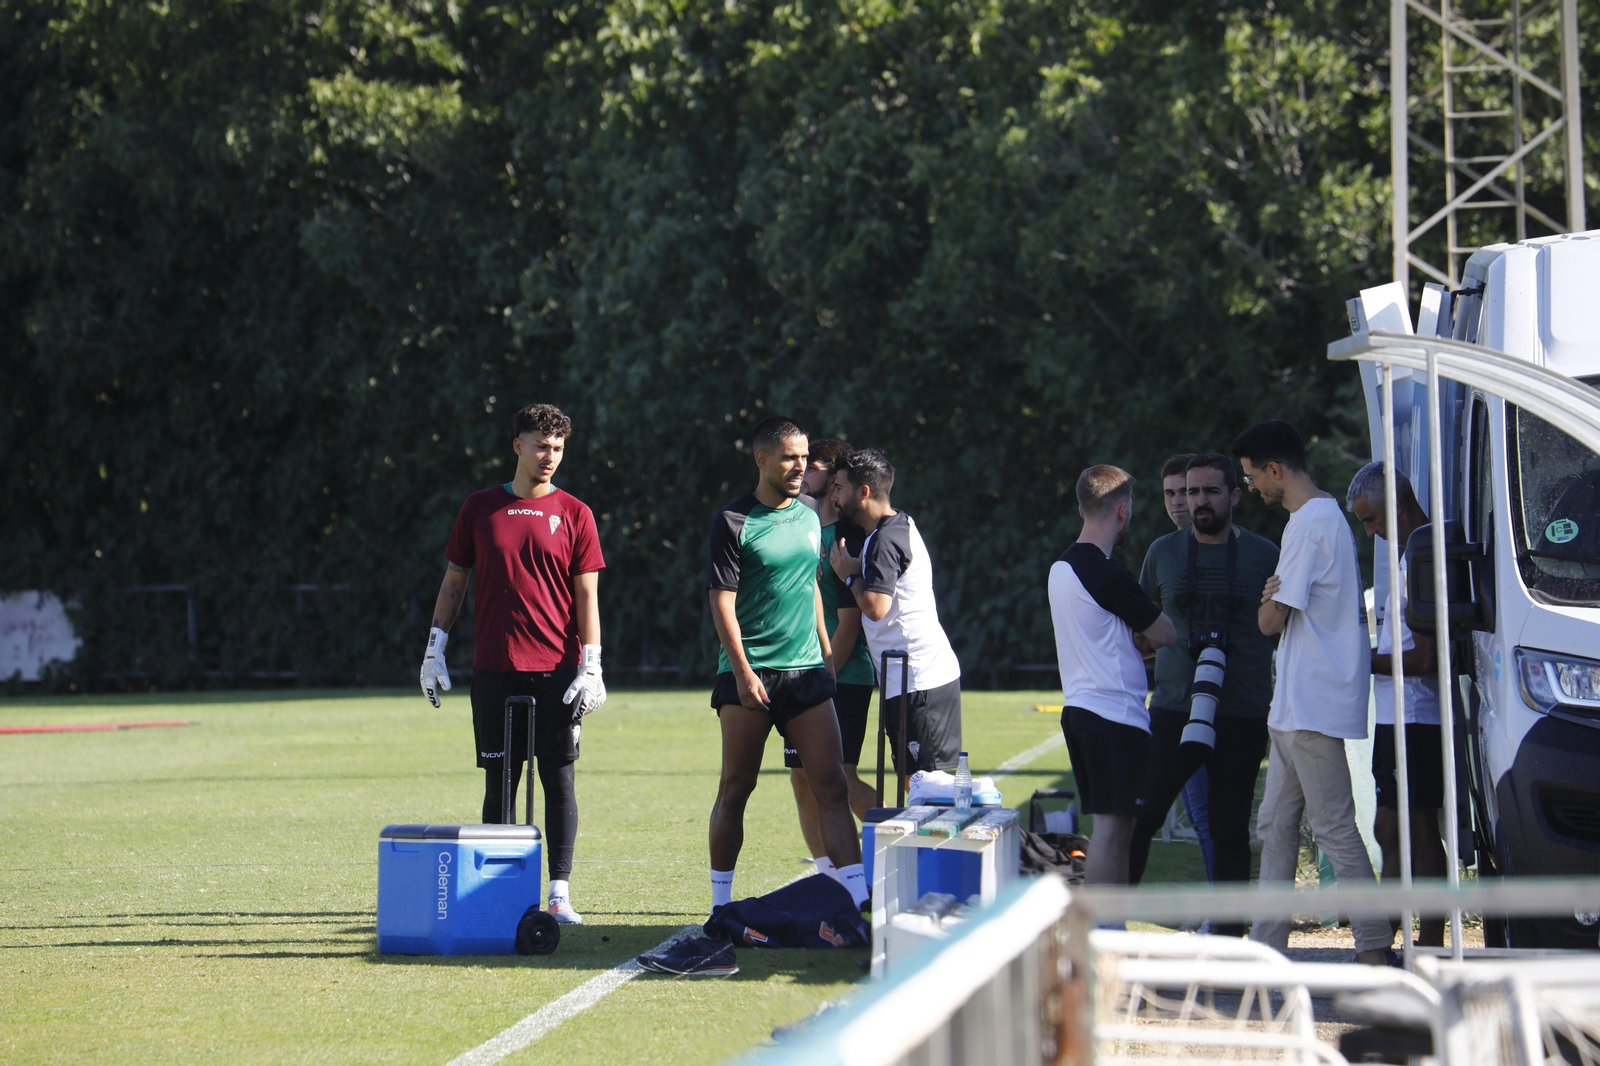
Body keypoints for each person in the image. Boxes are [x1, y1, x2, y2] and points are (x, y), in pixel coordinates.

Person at [419, 403, 605, 926]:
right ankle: (494, 890)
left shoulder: (575, 513)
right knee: (499, 778)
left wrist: (591, 665)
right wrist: (435, 648)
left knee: (559, 778)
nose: (550, 457)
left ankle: (559, 892)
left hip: (557, 671)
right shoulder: (479, 507)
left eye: (559, 448)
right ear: (517, 446)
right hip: (495, 667)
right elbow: (455, 581)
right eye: (541, 445)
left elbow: (587, 596)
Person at [1234, 419, 1391, 963]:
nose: (1252, 487)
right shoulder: (1321, 517)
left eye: (1254, 476)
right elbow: (1277, 612)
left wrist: (1266, 600)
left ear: (1276, 470)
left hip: (1310, 704)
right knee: (1276, 825)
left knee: (1331, 827)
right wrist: (1269, 601)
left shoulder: (1308, 523)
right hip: (1298, 704)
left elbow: (1270, 620)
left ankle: (1373, 944)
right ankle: (1266, 947)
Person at [707, 417, 867, 914]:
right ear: (762, 460)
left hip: (807, 675)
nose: (801, 466)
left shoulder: (809, 517)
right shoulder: (733, 520)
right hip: (750, 674)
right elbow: (722, 603)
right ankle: (720, 906)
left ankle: (859, 900)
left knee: (833, 785)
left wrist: (824, 652)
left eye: (804, 457)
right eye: (790, 458)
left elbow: (809, 588)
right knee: (736, 789)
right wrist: (742, 671)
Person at [1129, 454, 1277, 931]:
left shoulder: (1265, 553)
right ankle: (1109, 928)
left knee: (1230, 825)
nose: (1199, 501)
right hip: (1174, 706)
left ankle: (1231, 940)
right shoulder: (1163, 552)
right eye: (1191, 492)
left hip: (1242, 710)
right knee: (1143, 815)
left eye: (1211, 491)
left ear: (1234, 495)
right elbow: (1143, 626)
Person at [1050, 465, 1177, 886]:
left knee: (1118, 832)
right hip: (1114, 715)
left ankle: (1111, 929)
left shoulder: (1061, 567)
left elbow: (1105, 635)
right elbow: (1166, 633)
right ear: (1122, 511)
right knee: (1112, 833)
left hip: (1082, 709)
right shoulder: (1108, 572)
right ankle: (1101, 932)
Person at [1347, 461, 1447, 948]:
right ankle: (1386, 938)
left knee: (1419, 829)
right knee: (1388, 827)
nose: (1370, 533)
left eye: (1371, 520)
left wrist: (1363, 660)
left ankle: (1426, 946)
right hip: (1395, 715)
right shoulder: (1413, 553)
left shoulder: (1426, 554)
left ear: (1397, 505)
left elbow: (1426, 657)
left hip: (1417, 716)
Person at [828, 448, 963, 790]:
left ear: (864, 492)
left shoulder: (886, 539)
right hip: (910, 681)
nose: (834, 496)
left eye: (839, 488)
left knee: (927, 787)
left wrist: (848, 575)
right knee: (916, 784)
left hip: (919, 682)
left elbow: (875, 607)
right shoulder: (891, 528)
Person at [786, 440, 879, 883]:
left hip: (843, 674)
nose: (804, 472)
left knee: (839, 779)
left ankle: (911, 835)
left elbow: (851, 622)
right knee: (801, 779)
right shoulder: (801, 526)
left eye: (815, 466)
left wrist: (825, 678)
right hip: (804, 675)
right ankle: (829, 878)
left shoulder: (847, 537)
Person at [1157, 452, 1214, 882]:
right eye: (1171, 493)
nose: (1179, 502)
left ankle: (1224, 919)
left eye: (1187, 492)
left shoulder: (1240, 549)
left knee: (1210, 815)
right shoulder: (1161, 553)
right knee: (1191, 815)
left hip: (1223, 703)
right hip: (1172, 700)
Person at [1161, 453, 1197, 531]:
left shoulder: (1227, 542)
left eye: (1185, 492)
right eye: (1170, 493)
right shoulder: (1164, 543)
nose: (1176, 502)